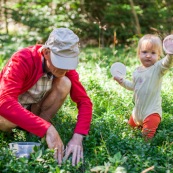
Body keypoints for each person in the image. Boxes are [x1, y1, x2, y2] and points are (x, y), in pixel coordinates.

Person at [0, 28, 92, 165]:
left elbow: (84, 101)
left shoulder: (66, 70)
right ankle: (34, 131)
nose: (65, 69)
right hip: (11, 111)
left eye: (68, 63)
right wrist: (47, 128)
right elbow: (4, 102)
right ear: (46, 52)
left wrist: (78, 137)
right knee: (8, 120)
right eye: (60, 62)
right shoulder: (22, 59)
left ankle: (33, 133)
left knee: (65, 83)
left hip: (33, 109)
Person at [113, 34, 173, 139]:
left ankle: (146, 141)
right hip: (137, 112)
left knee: (146, 137)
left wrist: (170, 54)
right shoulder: (137, 71)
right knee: (130, 129)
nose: (148, 55)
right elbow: (133, 86)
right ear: (139, 53)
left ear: (159, 55)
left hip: (151, 112)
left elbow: (166, 63)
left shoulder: (158, 69)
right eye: (145, 52)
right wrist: (122, 81)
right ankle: (138, 124)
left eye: (153, 53)